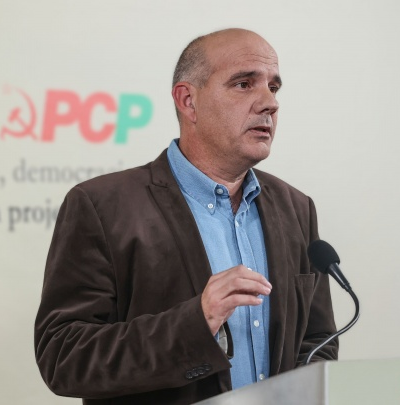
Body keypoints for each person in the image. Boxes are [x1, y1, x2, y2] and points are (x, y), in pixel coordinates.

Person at [34, 28, 337, 405]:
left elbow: (318, 342)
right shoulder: (102, 206)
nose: (269, 103)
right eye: (244, 84)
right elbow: (64, 357)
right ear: (188, 101)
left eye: (273, 87)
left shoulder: (297, 208)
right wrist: (195, 323)